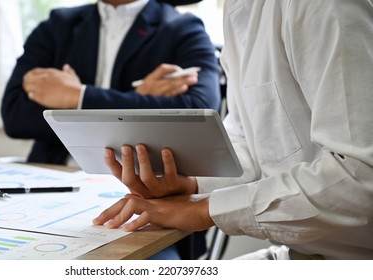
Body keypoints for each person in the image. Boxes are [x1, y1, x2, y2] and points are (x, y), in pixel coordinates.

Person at [93, 0, 373, 260]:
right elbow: (254, 144)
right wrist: (192, 184)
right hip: (302, 254)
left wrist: (204, 210)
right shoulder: (239, 11)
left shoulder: (321, 6)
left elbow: (362, 177)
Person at [1, 0, 220, 259]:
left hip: (143, 194)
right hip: (53, 185)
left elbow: (198, 111)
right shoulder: (57, 25)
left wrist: (76, 96)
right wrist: (135, 99)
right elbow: (14, 114)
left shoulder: (183, 28)